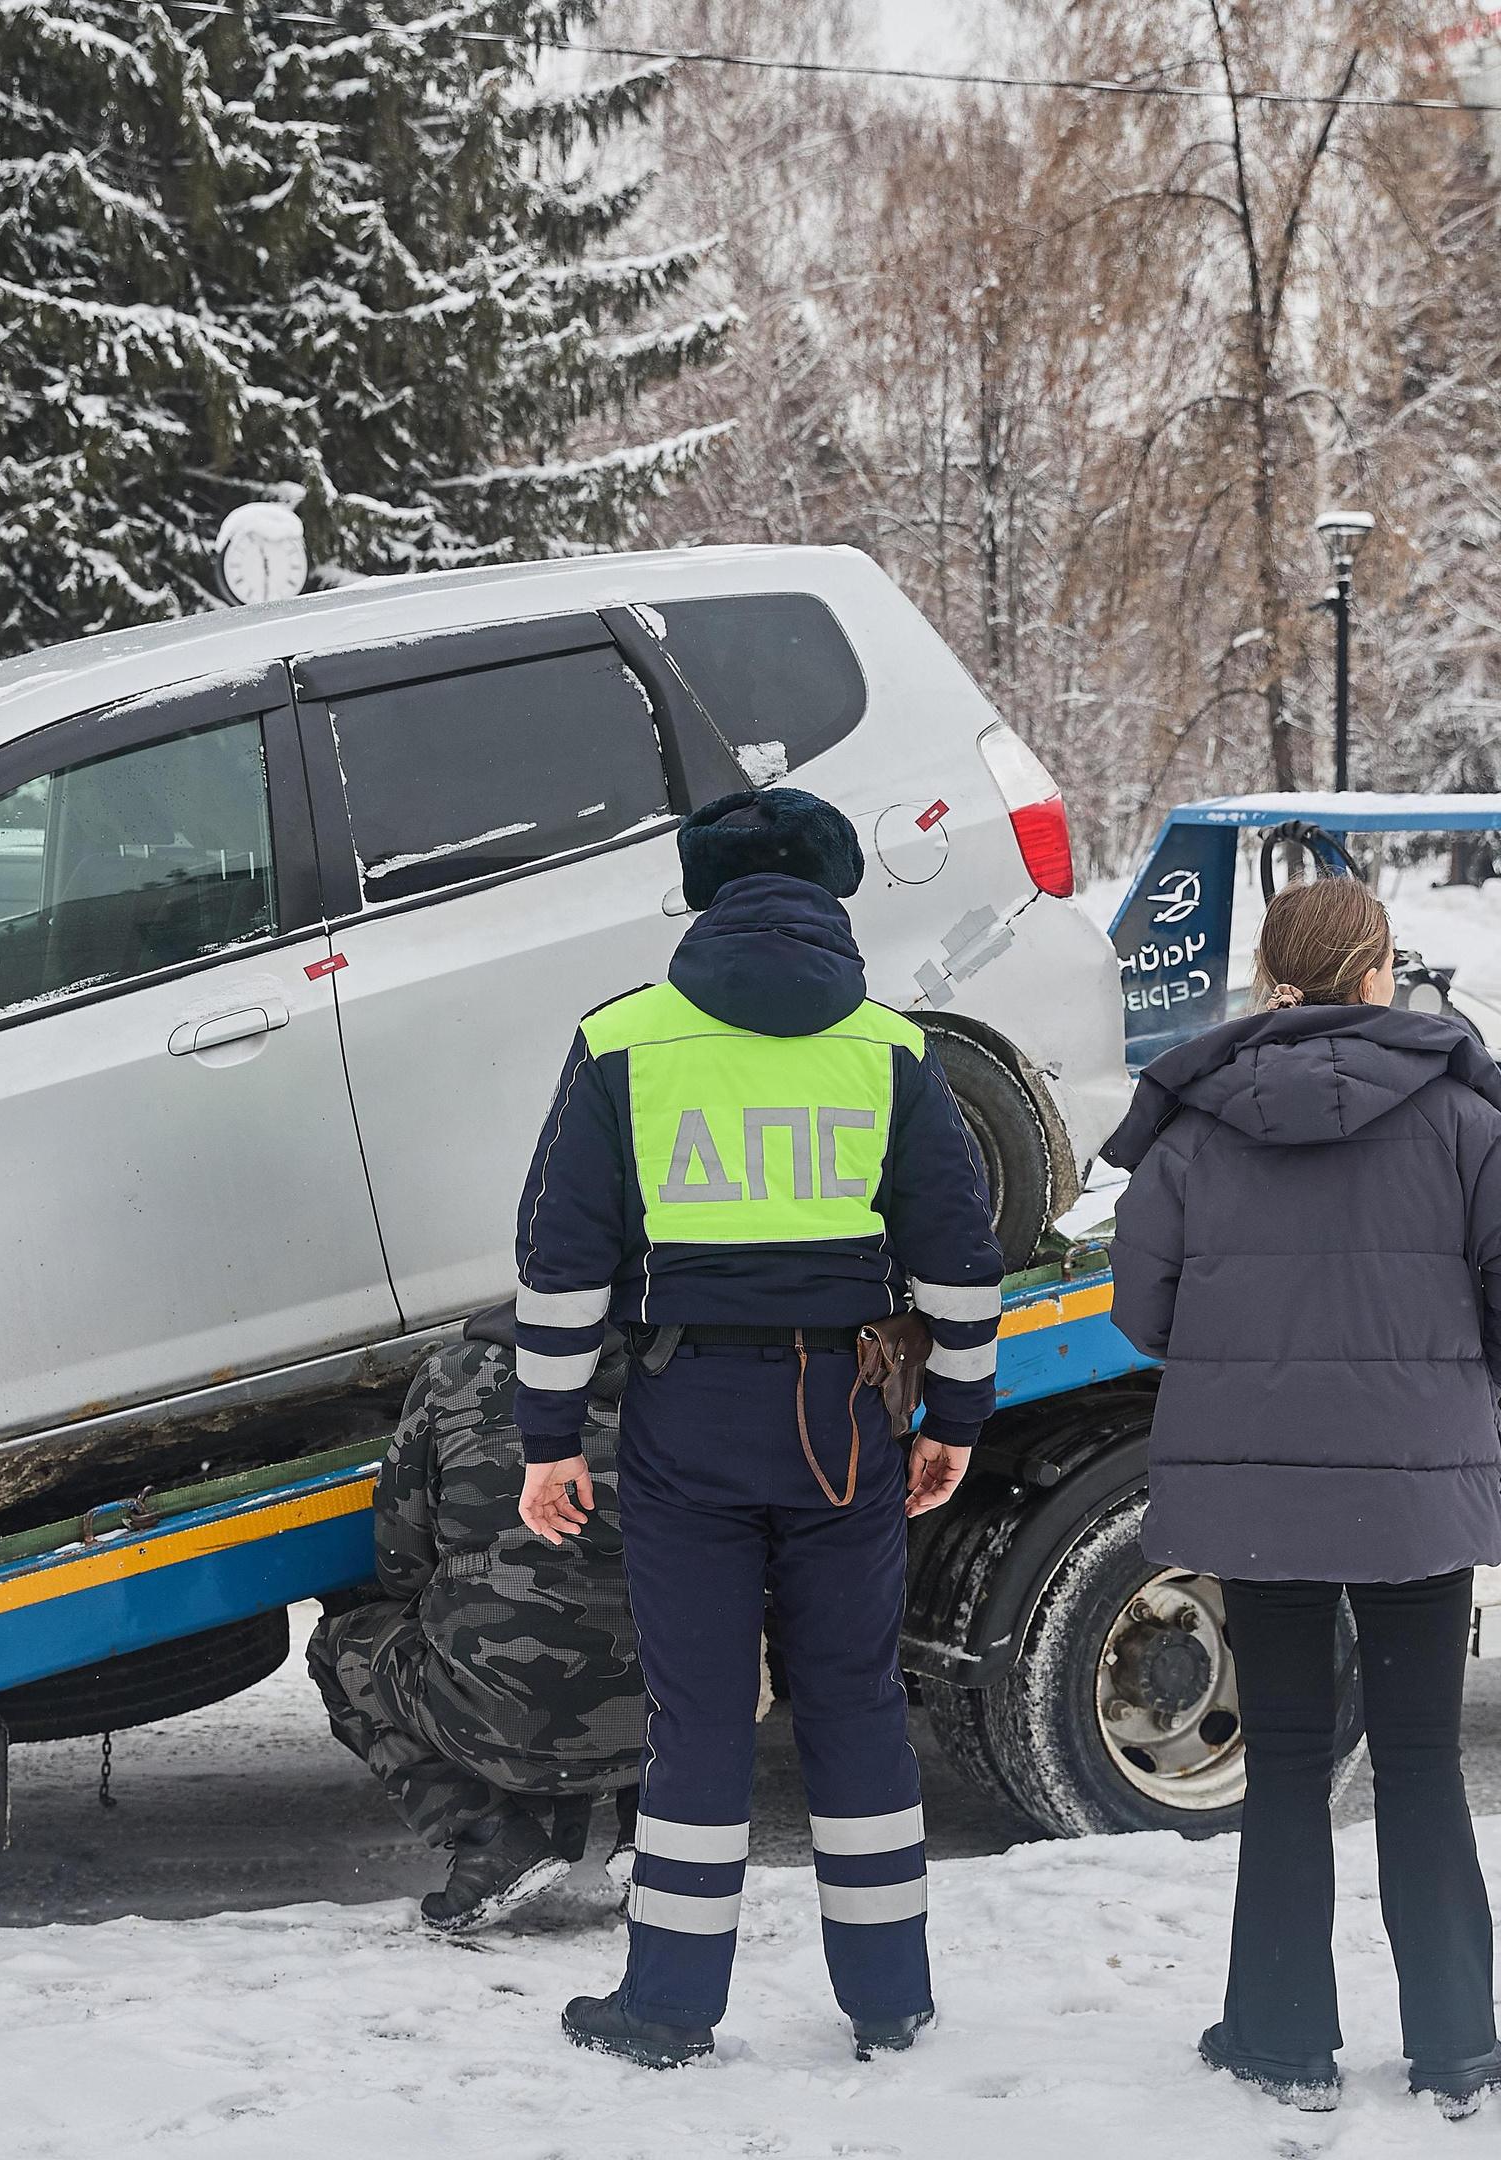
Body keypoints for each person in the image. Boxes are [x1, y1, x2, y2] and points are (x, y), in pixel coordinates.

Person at [508, 787, 1007, 2070]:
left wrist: (549, 1436)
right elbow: (957, 1255)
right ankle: (889, 1998)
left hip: (690, 1412)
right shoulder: (891, 1050)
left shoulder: (623, 1041)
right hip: (843, 1414)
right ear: (832, 898)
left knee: (702, 1716)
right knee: (853, 1703)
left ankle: (671, 2005)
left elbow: (564, 1260)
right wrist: (952, 1412)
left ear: (707, 895)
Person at [1104, 878, 1501, 2120]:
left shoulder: (1195, 1125)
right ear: (1379, 973)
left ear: (1274, 976)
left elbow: (1143, 1309)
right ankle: (1456, 2049)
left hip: (1259, 1499)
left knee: (1286, 1764)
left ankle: (1278, 2039)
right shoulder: (1465, 1120)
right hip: (1415, 1492)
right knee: (1423, 1759)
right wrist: (1462, 1381)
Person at [307, 1324, 643, 1935]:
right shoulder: (689, 1372)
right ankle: (658, 1835)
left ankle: (490, 1836)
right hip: (665, 1721)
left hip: (488, 1723)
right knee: (709, 1633)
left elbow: (399, 1565)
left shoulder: (449, 1377)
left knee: (342, 1650)